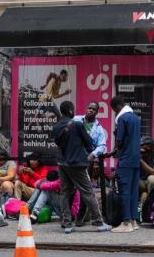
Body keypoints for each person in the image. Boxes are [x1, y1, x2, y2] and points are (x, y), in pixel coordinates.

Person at [52, 101, 110, 234]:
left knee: (65, 192)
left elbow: (58, 143)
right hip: (77, 164)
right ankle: (99, 222)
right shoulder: (78, 124)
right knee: (88, 192)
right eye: (88, 107)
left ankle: (67, 224)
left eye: (93, 109)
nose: (90, 110)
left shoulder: (56, 126)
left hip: (62, 163)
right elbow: (89, 143)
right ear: (71, 110)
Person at [110, 96, 141, 233]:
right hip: (135, 159)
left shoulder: (122, 119)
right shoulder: (135, 118)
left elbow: (120, 141)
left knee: (124, 191)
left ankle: (126, 222)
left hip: (125, 160)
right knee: (134, 191)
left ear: (116, 107)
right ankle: (134, 221)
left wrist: (116, 141)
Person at [139, 136, 154, 205]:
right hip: (139, 180)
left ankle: (151, 201)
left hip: (150, 182)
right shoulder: (138, 153)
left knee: (152, 178)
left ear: (150, 146)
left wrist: (141, 161)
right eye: (141, 146)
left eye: (145, 146)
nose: (143, 148)